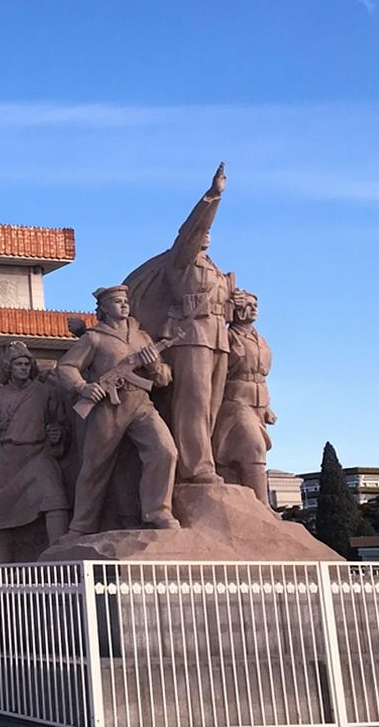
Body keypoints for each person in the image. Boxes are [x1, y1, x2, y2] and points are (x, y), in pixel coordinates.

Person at [124, 163, 233, 484]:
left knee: (212, 403)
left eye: (208, 232)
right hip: (191, 334)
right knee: (193, 401)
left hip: (217, 336)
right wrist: (213, 196)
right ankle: (195, 467)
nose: (206, 234)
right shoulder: (181, 259)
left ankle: (208, 460)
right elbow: (191, 230)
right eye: (202, 231)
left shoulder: (214, 268)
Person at [56, 285, 180, 535]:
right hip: (108, 407)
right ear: (103, 308)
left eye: (125, 301)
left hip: (142, 404)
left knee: (165, 450)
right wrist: (83, 388)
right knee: (94, 467)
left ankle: (157, 511)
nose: (123, 305)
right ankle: (81, 526)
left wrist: (154, 365)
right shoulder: (94, 338)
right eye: (116, 302)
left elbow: (164, 378)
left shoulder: (143, 337)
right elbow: (66, 368)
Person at [0, 341, 70, 562]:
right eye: (18, 364)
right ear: (8, 368)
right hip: (6, 461)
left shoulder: (44, 392)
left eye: (26, 364)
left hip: (38, 454)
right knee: (2, 519)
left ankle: (59, 559)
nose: (23, 368)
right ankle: (2, 572)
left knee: (56, 501)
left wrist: (57, 433)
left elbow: (59, 420)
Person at [213, 289, 276, 503]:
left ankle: (247, 502)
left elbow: (261, 374)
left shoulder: (262, 340)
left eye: (254, 305)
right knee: (253, 445)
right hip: (233, 401)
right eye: (246, 305)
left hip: (258, 400)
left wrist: (267, 407)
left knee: (243, 456)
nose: (252, 309)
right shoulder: (226, 337)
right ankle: (262, 505)